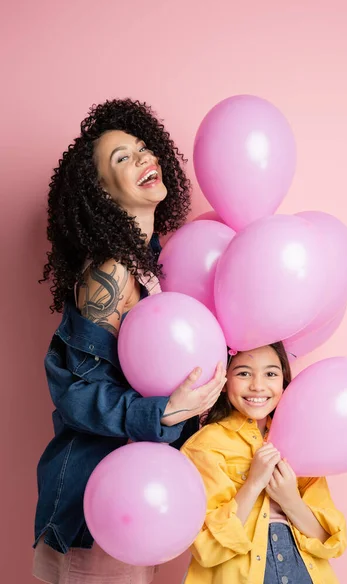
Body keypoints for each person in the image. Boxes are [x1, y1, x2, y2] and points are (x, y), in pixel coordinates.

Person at [33, 98, 225, 584]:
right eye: (122, 157)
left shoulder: (153, 262)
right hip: (100, 500)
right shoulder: (110, 271)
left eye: (143, 148)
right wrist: (159, 412)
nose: (143, 158)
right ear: (100, 191)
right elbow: (73, 392)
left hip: (144, 494)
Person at [181, 343, 347, 584]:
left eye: (270, 373)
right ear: (225, 380)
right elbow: (206, 547)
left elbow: (330, 542)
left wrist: (290, 499)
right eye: (243, 373)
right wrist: (253, 483)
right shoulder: (203, 447)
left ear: (283, 380)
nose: (257, 385)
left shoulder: (300, 441)